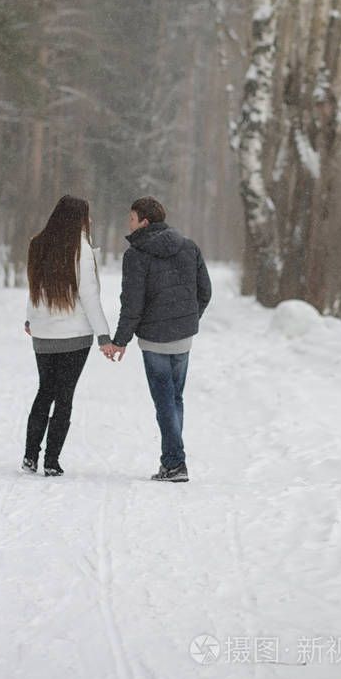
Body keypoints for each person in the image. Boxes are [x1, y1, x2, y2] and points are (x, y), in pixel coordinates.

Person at [102, 196, 211, 483]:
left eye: (132, 217)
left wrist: (120, 340)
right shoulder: (189, 247)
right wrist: (189, 318)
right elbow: (205, 292)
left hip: (154, 340)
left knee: (165, 401)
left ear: (145, 222)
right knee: (175, 398)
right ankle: (172, 461)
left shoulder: (136, 254)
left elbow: (132, 304)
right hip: (183, 338)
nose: (129, 222)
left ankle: (175, 463)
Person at [23, 194, 111, 476]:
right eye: (87, 215)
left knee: (44, 391)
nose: (91, 221)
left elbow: (35, 287)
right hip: (74, 336)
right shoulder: (80, 249)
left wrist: (31, 318)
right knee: (64, 396)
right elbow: (89, 296)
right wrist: (104, 335)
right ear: (79, 219)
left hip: (43, 334)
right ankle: (51, 461)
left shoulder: (37, 245)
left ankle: (29, 456)